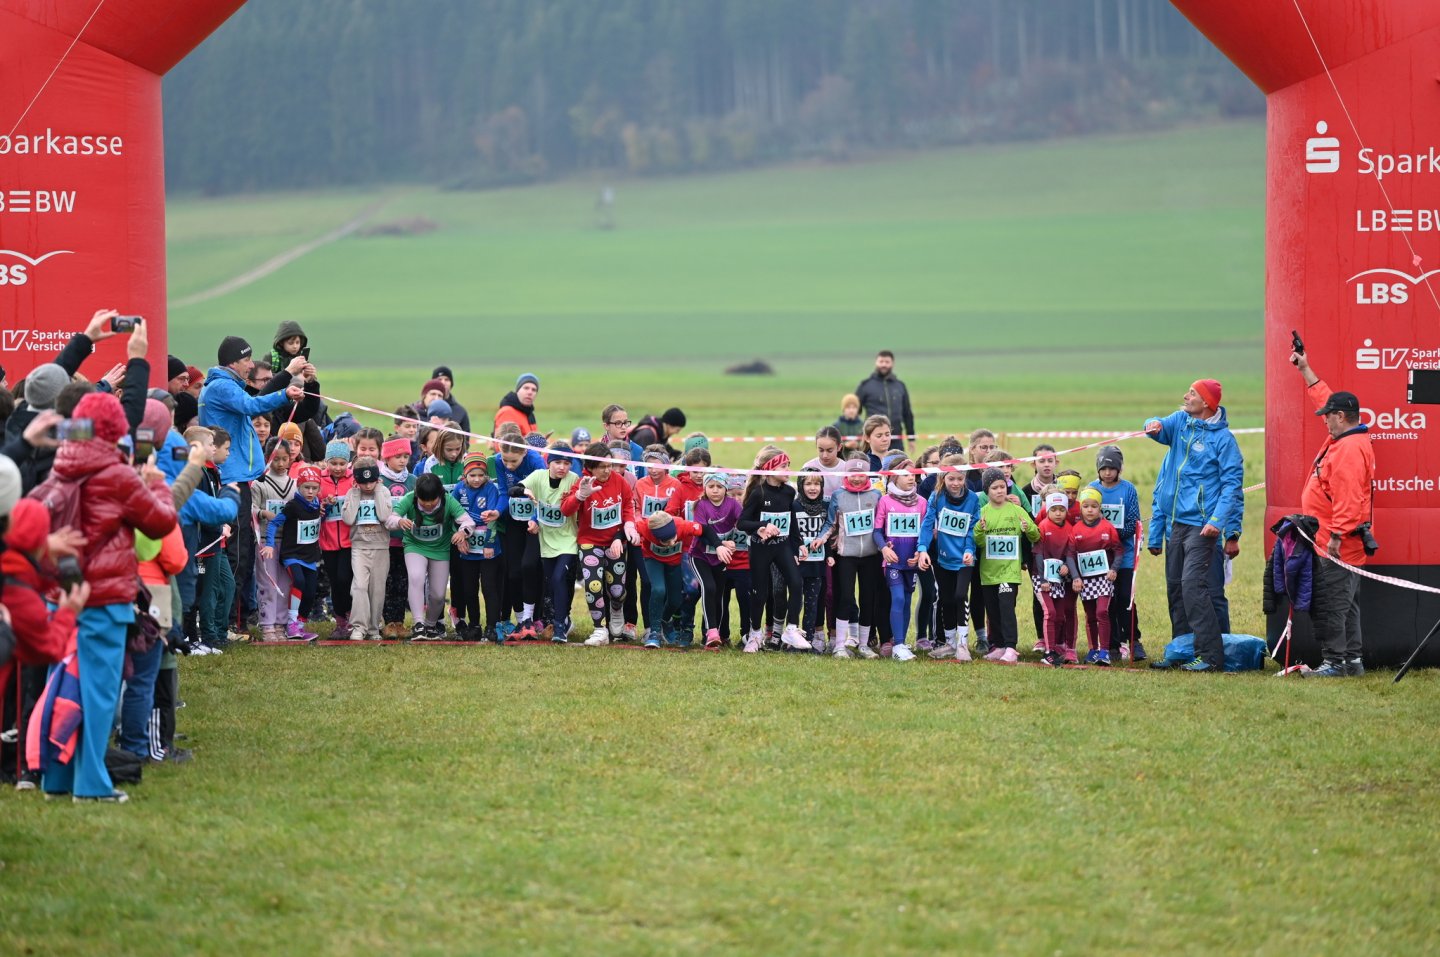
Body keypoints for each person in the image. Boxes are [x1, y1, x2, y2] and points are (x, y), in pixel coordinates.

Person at [34, 391, 177, 803]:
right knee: (97, 693)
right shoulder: (117, 474)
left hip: (61, 593)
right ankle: (92, 783)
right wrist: (157, 485)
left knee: (62, 686)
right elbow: (160, 522)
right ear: (117, 429)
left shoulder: (63, 463)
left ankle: (56, 777)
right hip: (103, 597)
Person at [1144, 378, 1244, 673]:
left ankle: (1210, 656)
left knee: (1193, 588)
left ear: (1207, 403)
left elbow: (1232, 486)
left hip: (1202, 526)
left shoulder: (1224, 441)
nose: (1185, 396)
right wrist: (1152, 424)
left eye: (1192, 393)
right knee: (1176, 588)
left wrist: (1219, 522)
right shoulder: (1180, 422)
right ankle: (1181, 650)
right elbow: (1158, 426)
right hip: (1176, 523)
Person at [1290, 350, 1376, 677]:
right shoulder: (1345, 436)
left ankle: (1335, 663)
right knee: (1347, 606)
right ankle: (1352, 662)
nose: (1324, 420)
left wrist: (1336, 538)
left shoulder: (1349, 449)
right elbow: (1324, 397)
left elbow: (1349, 501)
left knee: (1332, 606)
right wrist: (1305, 369)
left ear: (1341, 416)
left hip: (1338, 544)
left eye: (1328, 416)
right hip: (1338, 540)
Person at [564, 442, 640, 646]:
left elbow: (628, 505)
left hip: (615, 542)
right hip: (589, 543)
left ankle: (616, 610)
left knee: (617, 590)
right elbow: (566, 510)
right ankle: (599, 629)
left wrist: (629, 525)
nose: (607, 470)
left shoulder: (619, 481)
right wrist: (580, 496)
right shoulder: (583, 483)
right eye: (601, 467)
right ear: (590, 467)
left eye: (609, 465)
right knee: (593, 585)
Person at [736, 447, 811, 654]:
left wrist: (799, 544)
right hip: (760, 549)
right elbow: (742, 523)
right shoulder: (758, 493)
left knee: (796, 583)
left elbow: (791, 521)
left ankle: (791, 629)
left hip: (782, 546)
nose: (788, 470)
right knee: (760, 593)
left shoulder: (789, 492)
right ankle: (755, 635)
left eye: (789, 465)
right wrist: (762, 525)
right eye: (784, 466)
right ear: (769, 469)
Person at [388, 472, 474, 640]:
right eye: (423, 501)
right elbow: (390, 518)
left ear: (439, 495)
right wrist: (399, 521)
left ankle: (430, 625)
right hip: (415, 546)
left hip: (440, 550)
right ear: (417, 495)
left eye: (432, 501)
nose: (427, 505)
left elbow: (468, 521)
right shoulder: (410, 498)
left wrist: (463, 532)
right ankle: (418, 624)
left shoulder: (448, 500)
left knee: (438, 595)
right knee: (416, 577)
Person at [916, 453, 982, 660]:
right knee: (946, 599)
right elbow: (927, 524)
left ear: (965, 477)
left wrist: (969, 550)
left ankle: (962, 644)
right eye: (951, 478)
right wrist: (922, 549)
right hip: (943, 558)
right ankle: (950, 643)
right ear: (943, 478)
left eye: (959, 479)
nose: (955, 483)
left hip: (964, 558)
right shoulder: (936, 497)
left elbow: (972, 528)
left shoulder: (973, 499)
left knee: (960, 596)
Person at [972, 467, 1040, 663]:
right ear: (987, 491)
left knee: (1006, 607)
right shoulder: (982, 513)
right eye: (995, 488)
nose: (1000, 491)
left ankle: (1011, 647)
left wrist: (1028, 529)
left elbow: (1036, 535)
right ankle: (999, 646)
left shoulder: (1017, 511)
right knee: (993, 610)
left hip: (1009, 572)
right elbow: (979, 543)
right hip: (989, 572)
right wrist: (980, 530)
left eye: (1002, 486)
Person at [635, 510, 730, 649]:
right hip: (653, 559)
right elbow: (630, 525)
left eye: (673, 538)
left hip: (674, 562)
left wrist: (719, 545)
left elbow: (706, 530)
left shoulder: (682, 525)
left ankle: (665, 620)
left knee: (676, 600)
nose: (672, 543)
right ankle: (654, 633)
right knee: (658, 590)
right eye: (665, 541)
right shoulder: (644, 527)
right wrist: (629, 532)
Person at [514, 443, 579, 642]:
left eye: (566, 463)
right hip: (546, 541)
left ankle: (559, 627)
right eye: (557, 462)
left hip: (568, 540)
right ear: (548, 462)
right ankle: (563, 620)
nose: (562, 467)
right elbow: (514, 489)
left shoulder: (573, 479)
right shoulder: (538, 476)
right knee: (551, 583)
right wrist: (524, 492)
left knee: (559, 578)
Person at [1089, 446, 1145, 661]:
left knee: (1125, 598)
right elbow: (1086, 517)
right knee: (1107, 601)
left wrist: (1111, 535)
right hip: (1101, 557)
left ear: (1119, 469)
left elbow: (1133, 521)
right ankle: (1112, 644)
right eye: (1103, 468)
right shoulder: (1092, 489)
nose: (1107, 473)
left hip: (1125, 555)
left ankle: (1134, 641)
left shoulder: (1128, 489)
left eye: (1112, 468)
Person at [825, 459, 883, 659]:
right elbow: (830, 524)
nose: (857, 478)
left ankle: (864, 645)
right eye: (852, 474)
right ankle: (840, 645)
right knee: (846, 598)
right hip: (846, 556)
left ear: (867, 475)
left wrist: (886, 545)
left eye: (861, 474)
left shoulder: (876, 495)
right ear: (845, 475)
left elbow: (881, 523)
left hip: (870, 556)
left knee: (868, 598)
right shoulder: (838, 495)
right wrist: (820, 540)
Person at [263, 464, 325, 642]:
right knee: (299, 581)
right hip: (292, 555)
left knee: (311, 591)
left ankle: (300, 624)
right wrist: (269, 544)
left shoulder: (317, 504)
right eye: (306, 487)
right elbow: (274, 523)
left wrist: (327, 507)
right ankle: (291, 623)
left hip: (309, 556)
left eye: (314, 488)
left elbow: (319, 519)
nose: (310, 492)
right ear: (299, 486)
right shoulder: (293, 506)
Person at [449, 453, 505, 641]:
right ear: (465, 475)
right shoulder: (459, 489)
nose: (477, 479)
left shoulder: (490, 489)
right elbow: (451, 515)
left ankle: (492, 626)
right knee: (469, 588)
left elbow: (492, 519)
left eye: (481, 475)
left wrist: (489, 543)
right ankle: (474, 625)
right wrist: (460, 539)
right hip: (467, 548)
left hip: (488, 547)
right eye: (472, 475)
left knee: (489, 587)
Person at [874, 459, 925, 661]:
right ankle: (898, 646)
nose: (911, 477)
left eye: (913, 474)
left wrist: (919, 552)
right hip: (892, 562)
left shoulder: (922, 502)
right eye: (905, 474)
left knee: (907, 601)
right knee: (898, 598)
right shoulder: (885, 501)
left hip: (911, 562)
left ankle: (901, 642)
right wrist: (884, 548)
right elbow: (877, 531)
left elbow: (924, 532)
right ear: (894, 477)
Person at [1070, 488, 1123, 666]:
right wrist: (1076, 577)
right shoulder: (1076, 529)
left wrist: (1114, 569)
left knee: (1102, 612)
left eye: (1094, 506)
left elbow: (1118, 550)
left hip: (1104, 579)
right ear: (1081, 508)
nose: (1090, 510)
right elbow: (1070, 555)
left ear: (1100, 507)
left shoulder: (1107, 527)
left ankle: (1105, 651)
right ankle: (1093, 649)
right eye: (1086, 506)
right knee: (1091, 615)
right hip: (1086, 579)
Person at [253, 438, 296, 640]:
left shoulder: (294, 485)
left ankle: (280, 623)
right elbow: (251, 508)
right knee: (268, 583)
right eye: (276, 459)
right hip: (265, 540)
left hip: (287, 541)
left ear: (290, 459)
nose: (280, 463)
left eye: (284, 459)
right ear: (268, 459)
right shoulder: (260, 484)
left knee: (285, 583)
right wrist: (263, 513)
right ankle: (267, 624)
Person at [1031, 490, 1076, 667]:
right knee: (1049, 612)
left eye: (1061, 509)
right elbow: (1038, 554)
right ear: (1047, 510)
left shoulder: (1070, 528)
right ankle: (1048, 653)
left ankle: (1057, 647)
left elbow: (1070, 552)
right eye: (1054, 509)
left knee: (1059, 614)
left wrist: (1066, 565)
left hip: (1059, 578)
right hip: (1041, 576)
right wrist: (1043, 580)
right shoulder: (1043, 526)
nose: (1058, 513)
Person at [318, 440, 355, 636]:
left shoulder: (353, 479)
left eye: (342, 463)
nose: (338, 468)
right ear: (327, 462)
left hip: (350, 540)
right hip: (328, 541)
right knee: (335, 581)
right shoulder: (319, 480)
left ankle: (351, 616)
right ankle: (340, 621)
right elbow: (312, 504)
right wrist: (322, 505)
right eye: (334, 463)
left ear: (348, 463)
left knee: (345, 578)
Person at [854, 350, 915, 451]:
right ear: (876, 362)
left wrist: (911, 437)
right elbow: (854, 413)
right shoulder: (866, 386)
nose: (884, 365)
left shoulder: (900, 386)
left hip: (896, 440)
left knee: (898, 462)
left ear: (892, 363)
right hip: (873, 440)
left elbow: (907, 413)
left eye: (887, 362)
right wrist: (857, 434)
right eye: (881, 361)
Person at [494, 373, 540, 437]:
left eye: (534, 390)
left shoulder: (529, 414)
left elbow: (533, 439)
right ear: (517, 390)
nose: (530, 392)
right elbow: (504, 442)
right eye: (526, 388)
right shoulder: (507, 412)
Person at [429, 366, 471, 435]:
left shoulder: (460, 412)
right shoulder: (421, 409)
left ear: (451, 383)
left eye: (447, 379)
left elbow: (465, 439)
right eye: (439, 379)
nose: (443, 382)